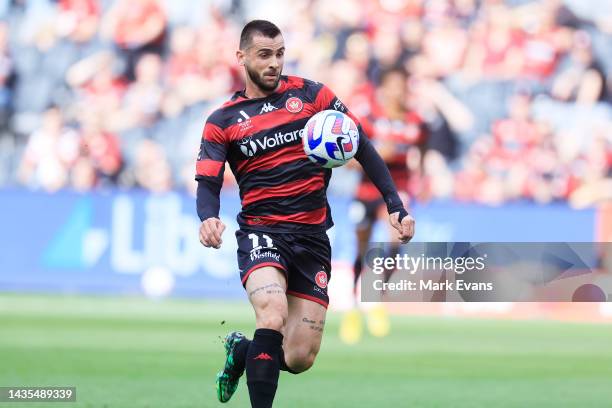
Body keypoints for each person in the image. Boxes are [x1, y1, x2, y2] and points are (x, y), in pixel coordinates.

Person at [196, 20, 415, 408]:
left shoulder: (312, 96)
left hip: (312, 237)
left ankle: (244, 352)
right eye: (264, 55)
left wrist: (394, 204)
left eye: (279, 54)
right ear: (241, 57)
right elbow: (209, 182)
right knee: (272, 313)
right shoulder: (222, 122)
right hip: (262, 232)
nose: (274, 63)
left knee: (300, 357)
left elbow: (361, 144)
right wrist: (208, 216)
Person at [341, 68, 427, 345]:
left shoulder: (416, 122)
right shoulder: (369, 119)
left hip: (397, 193)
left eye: (402, 86)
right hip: (367, 190)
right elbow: (349, 160)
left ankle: (376, 298)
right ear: (384, 89)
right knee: (361, 250)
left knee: (395, 241)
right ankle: (354, 307)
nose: (397, 92)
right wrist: (379, 156)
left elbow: (421, 154)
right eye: (392, 86)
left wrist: (421, 180)